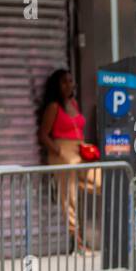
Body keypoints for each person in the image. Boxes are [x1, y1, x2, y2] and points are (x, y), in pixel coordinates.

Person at [37, 68, 89, 248]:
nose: (69, 85)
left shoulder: (73, 103)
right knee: (70, 197)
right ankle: (78, 242)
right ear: (56, 86)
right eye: (64, 82)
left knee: (98, 180)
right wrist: (58, 152)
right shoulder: (54, 107)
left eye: (70, 80)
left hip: (79, 151)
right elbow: (43, 134)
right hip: (63, 153)